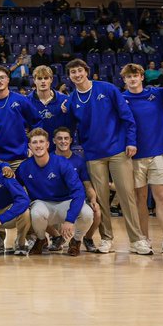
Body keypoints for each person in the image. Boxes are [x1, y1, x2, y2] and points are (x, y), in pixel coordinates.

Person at [63, 58, 145, 255]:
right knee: (100, 200)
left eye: (80, 71)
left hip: (118, 150)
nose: (77, 75)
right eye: (73, 72)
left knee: (126, 195)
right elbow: (70, 128)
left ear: (86, 71)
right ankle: (106, 238)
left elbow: (127, 117)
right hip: (93, 154)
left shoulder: (107, 89)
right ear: (69, 76)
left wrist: (131, 141)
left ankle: (137, 240)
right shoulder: (72, 100)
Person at [121, 64, 163, 255]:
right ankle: (143, 239)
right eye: (128, 76)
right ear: (124, 80)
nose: (132, 79)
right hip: (134, 157)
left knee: (161, 196)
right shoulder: (121, 99)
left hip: (157, 153)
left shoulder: (156, 94)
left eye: (135, 75)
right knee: (140, 199)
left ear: (142, 77)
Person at [16, 129, 94, 256]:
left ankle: (76, 241)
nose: (38, 145)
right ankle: (41, 239)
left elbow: (79, 192)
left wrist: (69, 220)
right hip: (43, 203)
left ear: (47, 144)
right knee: (35, 213)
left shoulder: (62, 163)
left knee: (87, 213)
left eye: (41, 142)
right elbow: (15, 187)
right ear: (29, 146)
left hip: (66, 202)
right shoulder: (24, 167)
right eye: (34, 142)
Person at [29, 65, 73, 137]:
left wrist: (67, 113)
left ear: (51, 79)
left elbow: (71, 125)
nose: (43, 81)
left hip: (58, 146)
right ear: (34, 80)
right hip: (37, 146)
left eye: (46, 78)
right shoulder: (27, 102)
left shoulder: (64, 100)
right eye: (39, 78)